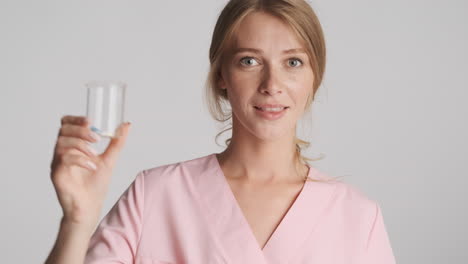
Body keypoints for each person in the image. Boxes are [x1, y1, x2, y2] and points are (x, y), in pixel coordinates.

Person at [45, 0, 397, 263]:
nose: (272, 84)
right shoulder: (154, 196)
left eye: (293, 62)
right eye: (249, 60)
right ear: (221, 76)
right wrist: (77, 221)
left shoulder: (358, 216)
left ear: (313, 77)